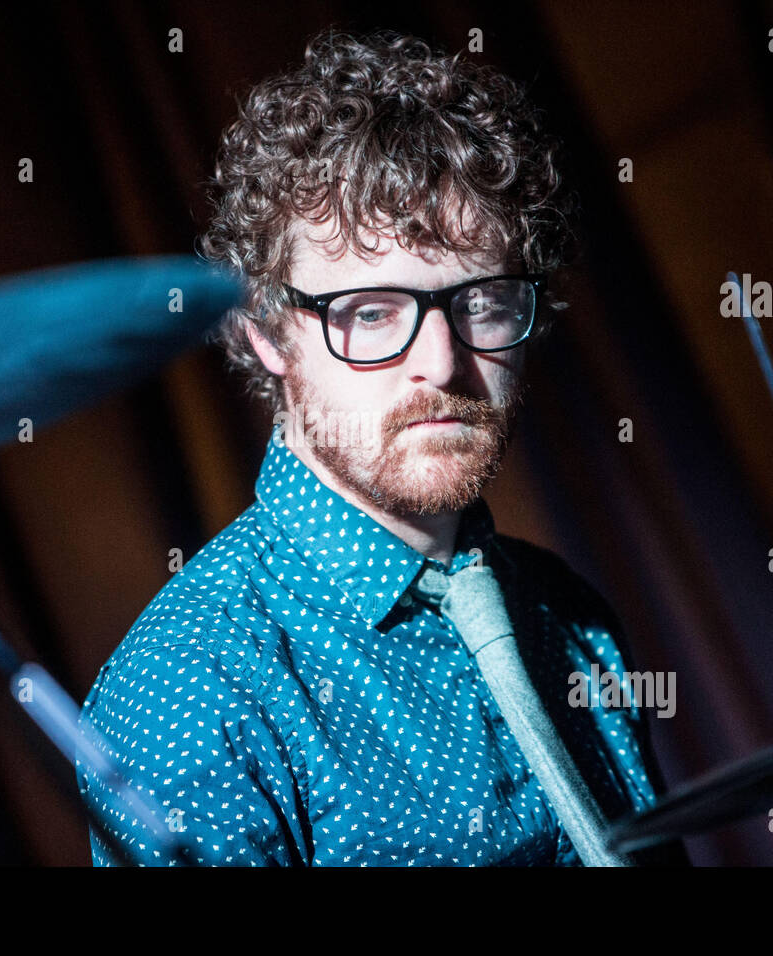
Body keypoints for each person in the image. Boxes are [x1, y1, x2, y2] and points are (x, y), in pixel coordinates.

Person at [77, 28, 688, 866]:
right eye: (370, 312)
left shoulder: (570, 618)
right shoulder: (188, 692)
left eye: (483, 301)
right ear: (265, 332)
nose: (440, 362)